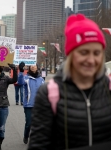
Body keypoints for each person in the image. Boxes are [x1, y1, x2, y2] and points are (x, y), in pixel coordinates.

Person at [27, 14, 111, 150]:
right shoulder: (49, 94)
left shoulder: (109, 88)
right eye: (84, 52)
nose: (91, 60)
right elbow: (38, 145)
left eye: (97, 53)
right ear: (70, 55)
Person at [18, 63, 44, 144]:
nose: (33, 66)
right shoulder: (26, 78)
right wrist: (21, 71)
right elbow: (20, 82)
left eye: (34, 65)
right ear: (29, 67)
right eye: (31, 65)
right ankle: (26, 136)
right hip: (29, 105)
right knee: (29, 123)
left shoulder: (41, 79)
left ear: (37, 67)